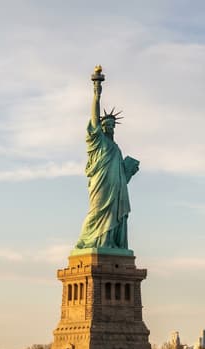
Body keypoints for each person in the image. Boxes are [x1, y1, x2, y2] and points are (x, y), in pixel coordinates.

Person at [75, 67, 139, 251]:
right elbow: (94, 117)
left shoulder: (116, 150)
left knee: (113, 217)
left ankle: (108, 243)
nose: (110, 127)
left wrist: (129, 171)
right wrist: (97, 92)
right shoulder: (98, 142)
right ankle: (89, 241)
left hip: (116, 189)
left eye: (112, 125)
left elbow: (120, 175)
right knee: (96, 213)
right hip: (100, 185)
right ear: (101, 128)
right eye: (106, 124)